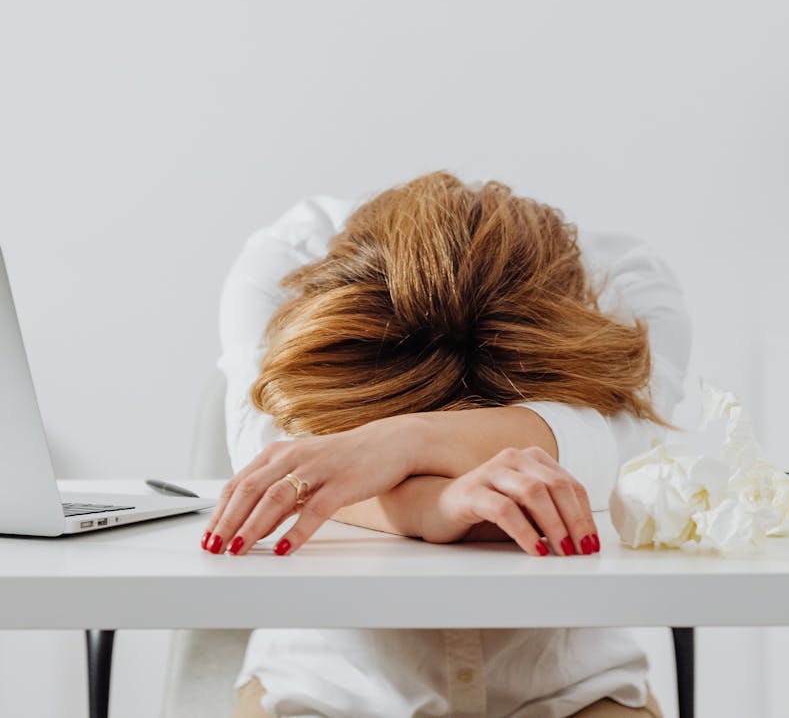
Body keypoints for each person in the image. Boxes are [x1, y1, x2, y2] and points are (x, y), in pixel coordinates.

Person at [206, 171, 692, 718]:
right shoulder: (287, 255)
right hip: (327, 690)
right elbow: (280, 470)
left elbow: (621, 449)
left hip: (573, 691)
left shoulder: (627, 283)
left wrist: (404, 440)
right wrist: (435, 506)